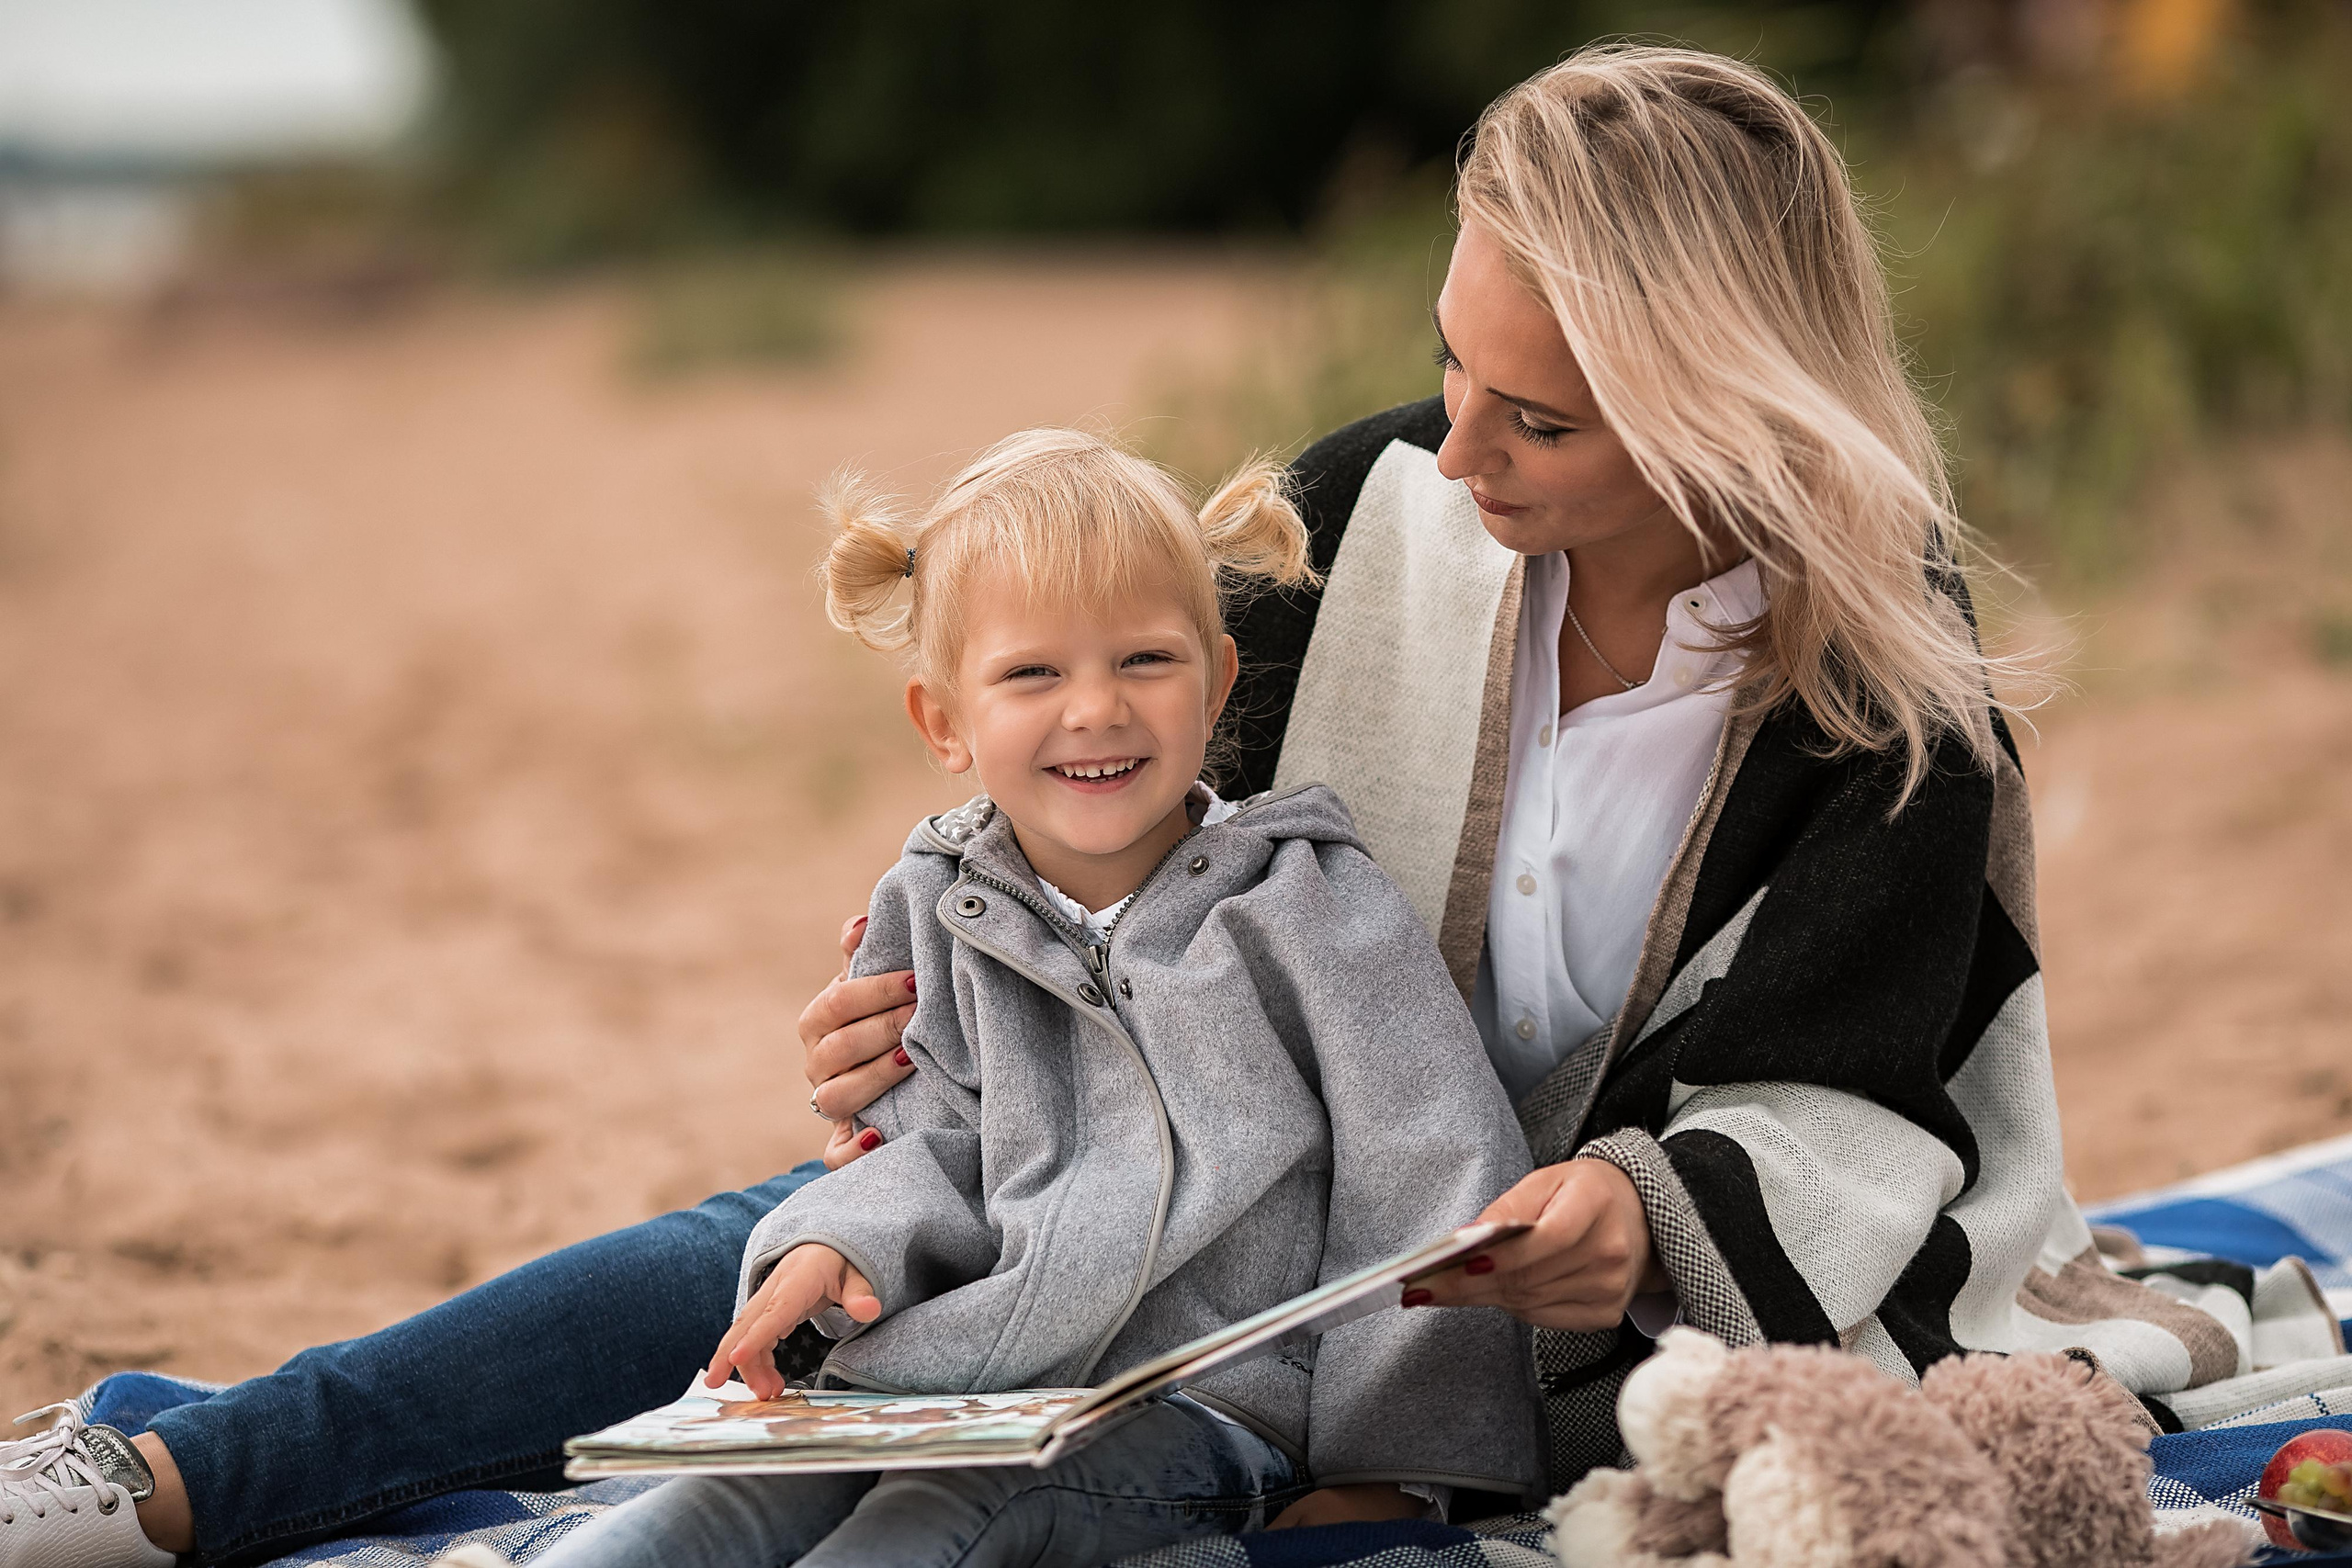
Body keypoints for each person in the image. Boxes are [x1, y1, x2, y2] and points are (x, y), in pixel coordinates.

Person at [1, 42, 2256, 1568]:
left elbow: (1857, 1103)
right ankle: (184, 1465)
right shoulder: (1384, 511)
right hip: (1163, 1160)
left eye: (1530, 423)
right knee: (771, 1246)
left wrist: (1629, 1209)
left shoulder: (1890, 702)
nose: (1448, 455)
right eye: (1449, 368)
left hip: (1494, 1314)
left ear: (1719, 418)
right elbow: (1098, 801)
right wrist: (915, 1001)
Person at [498, 427, 1541, 1568]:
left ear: (1218, 681)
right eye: (1032, 673)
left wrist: (1385, 1467)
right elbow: (931, 1146)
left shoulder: (1312, 909)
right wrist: (836, 1247)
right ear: (944, 721)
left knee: (944, 1520)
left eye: (1143, 661)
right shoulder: (933, 909)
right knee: (715, 1504)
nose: (1093, 709)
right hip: (972, 1381)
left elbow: (1436, 1176)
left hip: (1213, 1415)